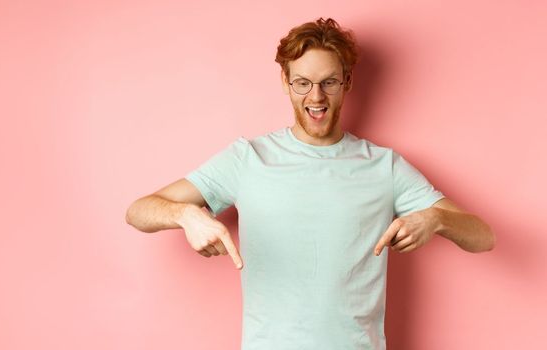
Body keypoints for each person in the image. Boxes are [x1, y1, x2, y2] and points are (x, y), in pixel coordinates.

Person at [124, 17, 495, 350]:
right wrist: (187, 215)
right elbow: (139, 210)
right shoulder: (248, 159)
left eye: (328, 82)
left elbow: (483, 236)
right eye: (302, 82)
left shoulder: (384, 166)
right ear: (285, 82)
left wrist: (436, 219)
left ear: (347, 81)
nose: (315, 98)